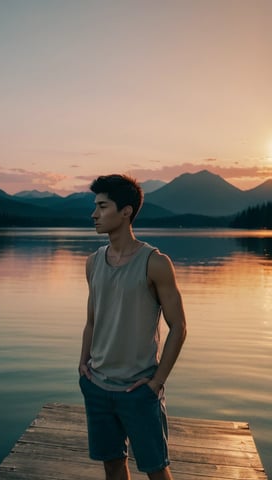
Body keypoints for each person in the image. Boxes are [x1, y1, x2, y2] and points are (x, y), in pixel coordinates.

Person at [79, 174, 187, 480]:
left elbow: (178, 327)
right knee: (112, 466)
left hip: (138, 390)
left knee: (156, 470)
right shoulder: (93, 262)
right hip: (97, 385)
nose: (94, 214)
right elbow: (92, 320)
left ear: (126, 211)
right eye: (95, 207)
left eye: (102, 206)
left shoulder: (155, 263)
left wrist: (156, 383)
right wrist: (82, 364)